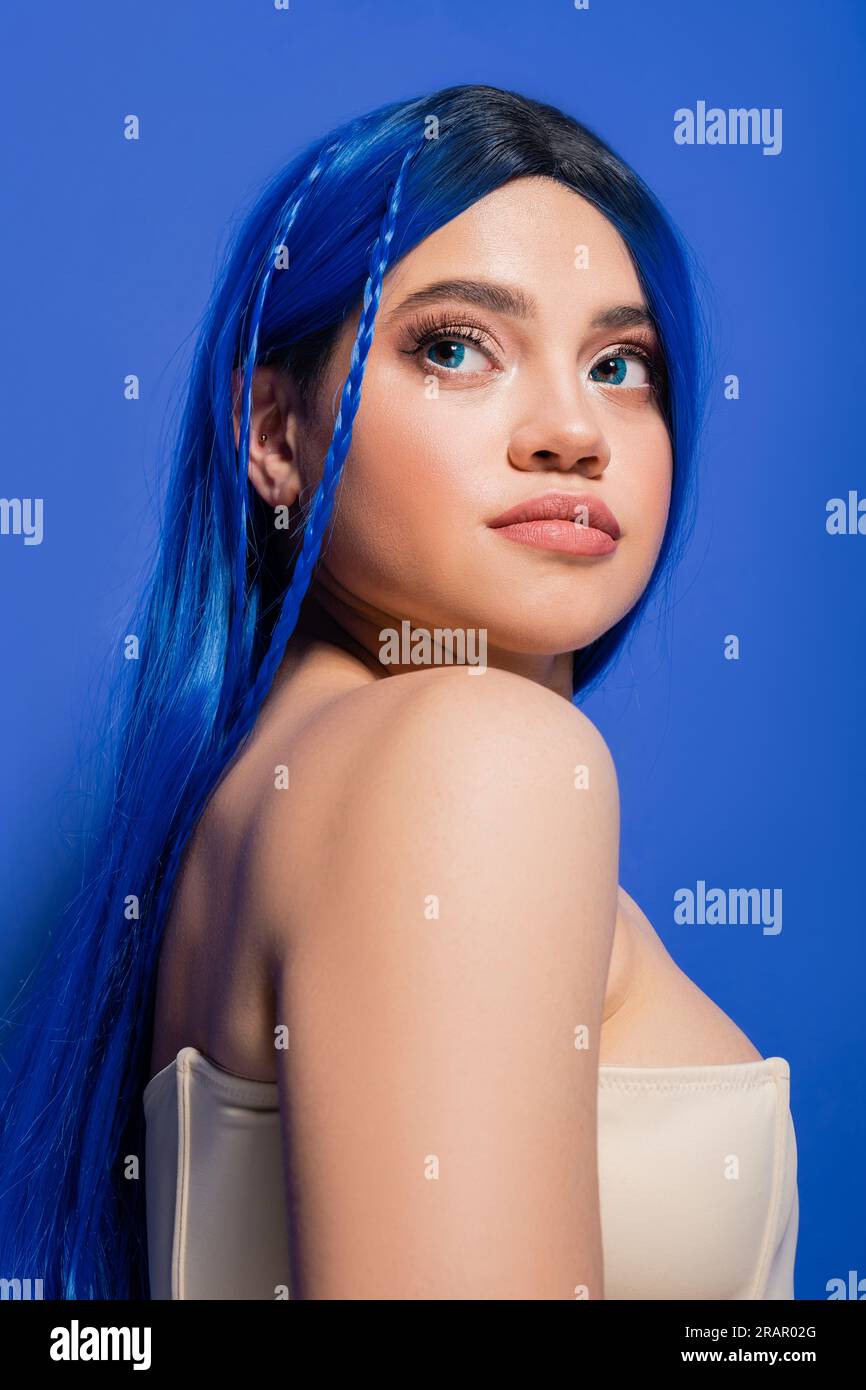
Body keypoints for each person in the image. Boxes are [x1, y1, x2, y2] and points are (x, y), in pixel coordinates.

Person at [0, 83, 798, 1300]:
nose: (571, 431)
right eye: (455, 345)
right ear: (275, 431)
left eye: (619, 362)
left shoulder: (267, 792)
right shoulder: (476, 754)